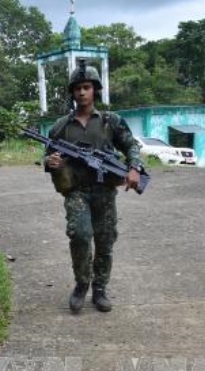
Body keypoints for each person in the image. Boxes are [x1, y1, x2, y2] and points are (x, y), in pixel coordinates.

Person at [45, 60, 143, 314]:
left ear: (95, 90)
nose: (81, 92)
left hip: (105, 192)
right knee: (79, 235)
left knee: (105, 240)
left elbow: (131, 145)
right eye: (77, 88)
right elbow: (48, 155)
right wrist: (51, 161)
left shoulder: (111, 121)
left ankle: (100, 288)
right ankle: (81, 283)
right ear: (72, 92)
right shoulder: (61, 126)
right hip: (76, 191)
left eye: (86, 87)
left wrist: (134, 168)